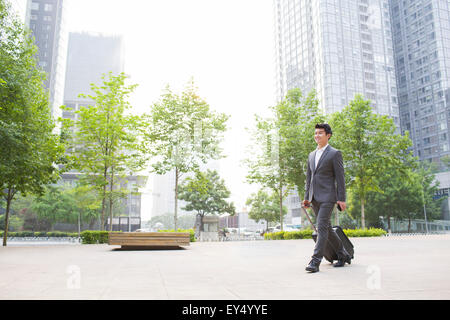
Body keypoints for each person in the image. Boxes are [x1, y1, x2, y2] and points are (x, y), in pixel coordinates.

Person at [302, 123, 351, 273]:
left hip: (329, 197)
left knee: (321, 226)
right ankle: (343, 254)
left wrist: (341, 198)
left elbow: (340, 178)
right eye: (315, 133)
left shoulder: (335, 153)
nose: (317, 136)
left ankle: (315, 261)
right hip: (315, 197)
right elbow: (309, 178)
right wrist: (306, 198)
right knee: (327, 228)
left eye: (320, 133)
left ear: (328, 135)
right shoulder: (311, 155)